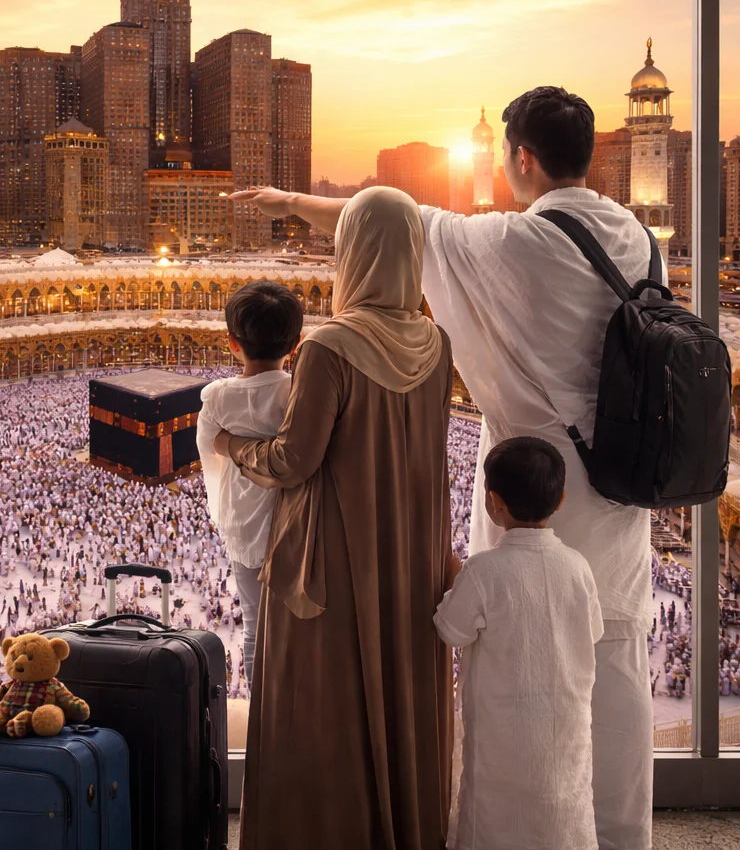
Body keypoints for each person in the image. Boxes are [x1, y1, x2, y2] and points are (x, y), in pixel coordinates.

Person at [230, 86, 659, 849]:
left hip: (530, 491)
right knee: (615, 674)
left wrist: (285, 199)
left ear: (521, 159)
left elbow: (384, 220)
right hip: (621, 495)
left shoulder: (506, 244)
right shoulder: (635, 235)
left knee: (511, 692)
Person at [213, 186, 454, 850]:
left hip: (336, 555)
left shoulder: (329, 346)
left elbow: (293, 462)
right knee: (396, 692)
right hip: (409, 553)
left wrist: (233, 446)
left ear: (353, 251)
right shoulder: (437, 345)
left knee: (319, 706)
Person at [436, 436, 603, 850]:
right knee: (563, 808)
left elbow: (449, 630)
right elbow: (593, 631)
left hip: (501, 736)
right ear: (561, 500)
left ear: (493, 502)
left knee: (496, 816)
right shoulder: (578, 568)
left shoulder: (483, 571)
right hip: (563, 728)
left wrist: (451, 576)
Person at [194, 280, 302, 688]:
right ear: (296, 343)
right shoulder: (299, 393)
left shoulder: (218, 397)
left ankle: (263, 720)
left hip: (245, 530)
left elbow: (211, 455)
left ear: (231, 343)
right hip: (295, 527)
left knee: (256, 626)